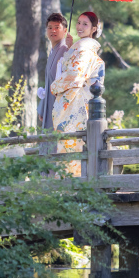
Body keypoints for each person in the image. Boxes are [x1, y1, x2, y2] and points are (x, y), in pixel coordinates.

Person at [50, 11, 106, 176]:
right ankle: (75, 183)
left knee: (71, 144)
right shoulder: (82, 48)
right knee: (73, 145)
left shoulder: (84, 50)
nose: (80, 27)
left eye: (85, 24)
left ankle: (71, 184)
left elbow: (74, 76)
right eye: (79, 22)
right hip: (81, 102)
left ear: (94, 29)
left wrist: (55, 87)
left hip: (75, 105)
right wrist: (69, 49)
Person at [37, 13, 70, 137]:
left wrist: (71, 48)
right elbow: (49, 83)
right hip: (50, 105)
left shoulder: (65, 51)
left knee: (55, 144)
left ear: (65, 30)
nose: (53, 30)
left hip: (60, 107)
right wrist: (43, 108)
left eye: (57, 27)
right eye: (50, 27)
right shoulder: (53, 51)